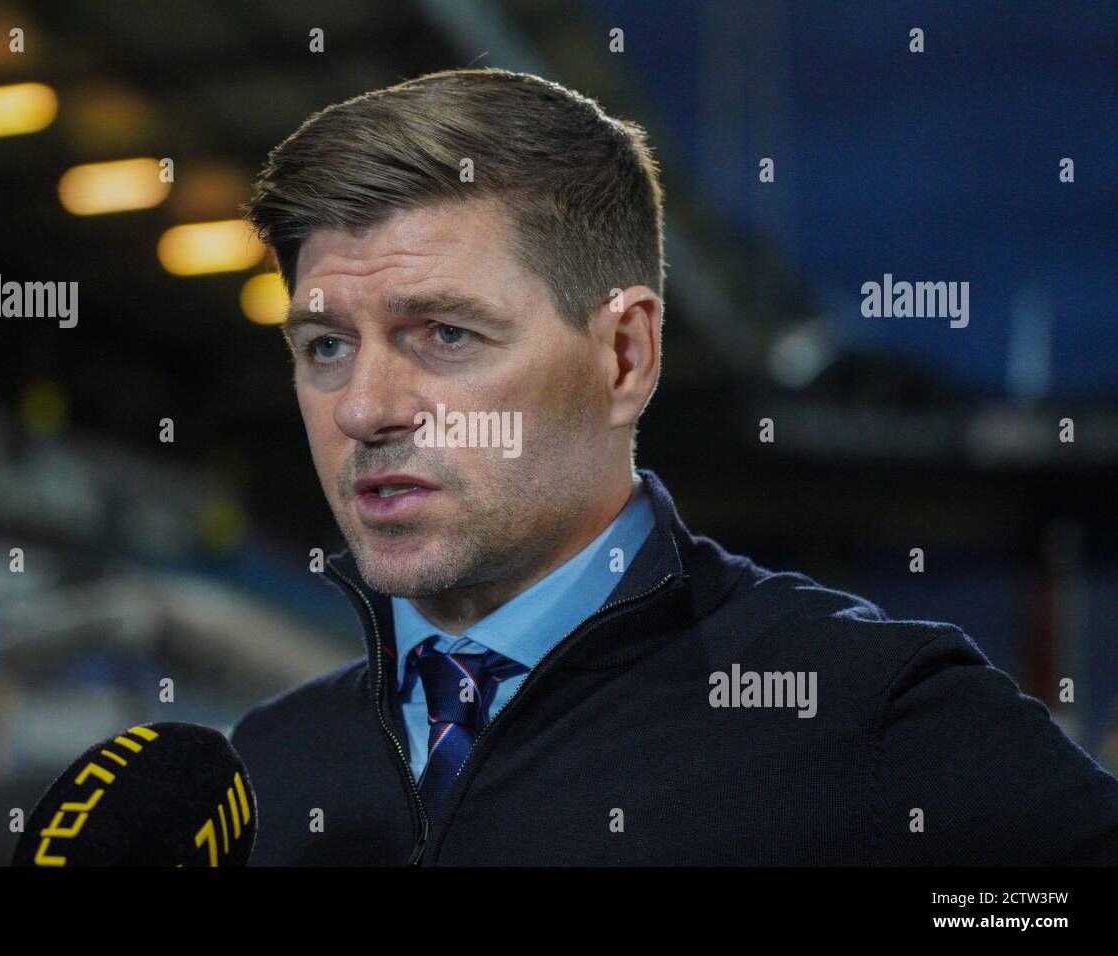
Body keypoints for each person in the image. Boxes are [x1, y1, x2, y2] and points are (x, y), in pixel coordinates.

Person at [231, 67, 1118, 865]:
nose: (363, 407)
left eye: (447, 334)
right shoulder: (263, 769)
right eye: (326, 346)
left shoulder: (865, 714)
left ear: (625, 357)